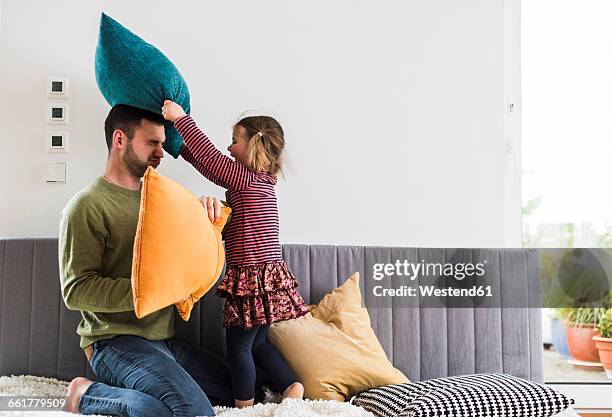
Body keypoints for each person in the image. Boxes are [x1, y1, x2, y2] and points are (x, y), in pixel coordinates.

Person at [59, 104, 241, 417]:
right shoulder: (86, 205)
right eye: (152, 143)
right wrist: (150, 290)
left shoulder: (163, 199)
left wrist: (204, 214)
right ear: (120, 140)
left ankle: (130, 397)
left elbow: (186, 258)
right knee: (195, 412)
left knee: (238, 389)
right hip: (114, 344)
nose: (161, 152)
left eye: (162, 143)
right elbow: (76, 290)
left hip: (163, 342)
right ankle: (85, 393)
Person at [162, 100, 309, 409]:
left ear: (253, 146)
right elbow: (210, 165)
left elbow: (211, 160)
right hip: (268, 279)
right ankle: (291, 384)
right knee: (258, 342)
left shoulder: (244, 179)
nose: (229, 149)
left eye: (234, 142)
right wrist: (179, 148)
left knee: (239, 348)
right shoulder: (263, 183)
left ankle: (245, 406)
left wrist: (181, 120)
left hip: (253, 278)